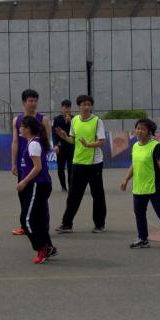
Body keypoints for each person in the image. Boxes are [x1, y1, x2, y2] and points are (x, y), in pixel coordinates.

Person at [120, 119, 160, 252]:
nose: (139, 131)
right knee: (139, 214)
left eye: (142, 129)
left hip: (155, 186)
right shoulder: (135, 146)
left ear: (149, 131)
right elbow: (134, 165)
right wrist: (126, 179)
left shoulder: (155, 146)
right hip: (139, 187)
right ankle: (143, 239)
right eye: (137, 128)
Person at [54, 95, 107, 233]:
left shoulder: (97, 121)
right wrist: (64, 136)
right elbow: (73, 140)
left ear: (91, 106)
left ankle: (99, 224)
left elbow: (101, 141)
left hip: (94, 163)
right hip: (78, 162)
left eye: (89, 104)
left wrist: (89, 145)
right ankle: (67, 224)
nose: (86, 107)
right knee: (73, 195)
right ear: (79, 106)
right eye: (83, 104)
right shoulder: (75, 120)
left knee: (98, 195)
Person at [17, 116, 57, 264]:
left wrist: (24, 181)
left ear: (27, 129)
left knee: (26, 219)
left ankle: (41, 247)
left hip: (37, 185)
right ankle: (49, 247)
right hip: (40, 184)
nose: (20, 128)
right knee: (39, 219)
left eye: (22, 126)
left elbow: (37, 167)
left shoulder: (34, 144)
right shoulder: (33, 143)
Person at [11, 89, 51, 236]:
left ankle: (43, 227)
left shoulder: (43, 120)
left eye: (35, 100)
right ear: (24, 102)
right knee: (23, 194)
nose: (33, 103)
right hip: (23, 164)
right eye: (30, 101)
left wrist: (44, 160)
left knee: (40, 197)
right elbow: (15, 142)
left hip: (36, 163)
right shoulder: (17, 121)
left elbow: (46, 142)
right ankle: (25, 226)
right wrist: (13, 163)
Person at [52, 100, 74, 192]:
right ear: (61, 108)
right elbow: (54, 133)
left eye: (69, 108)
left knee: (70, 168)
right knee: (60, 168)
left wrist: (70, 122)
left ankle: (71, 186)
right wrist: (55, 145)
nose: (67, 110)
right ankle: (63, 186)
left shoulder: (74, 119)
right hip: (60, 147)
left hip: (71, 146)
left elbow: (76, 132)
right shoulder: (57, 119)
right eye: (65, 107)